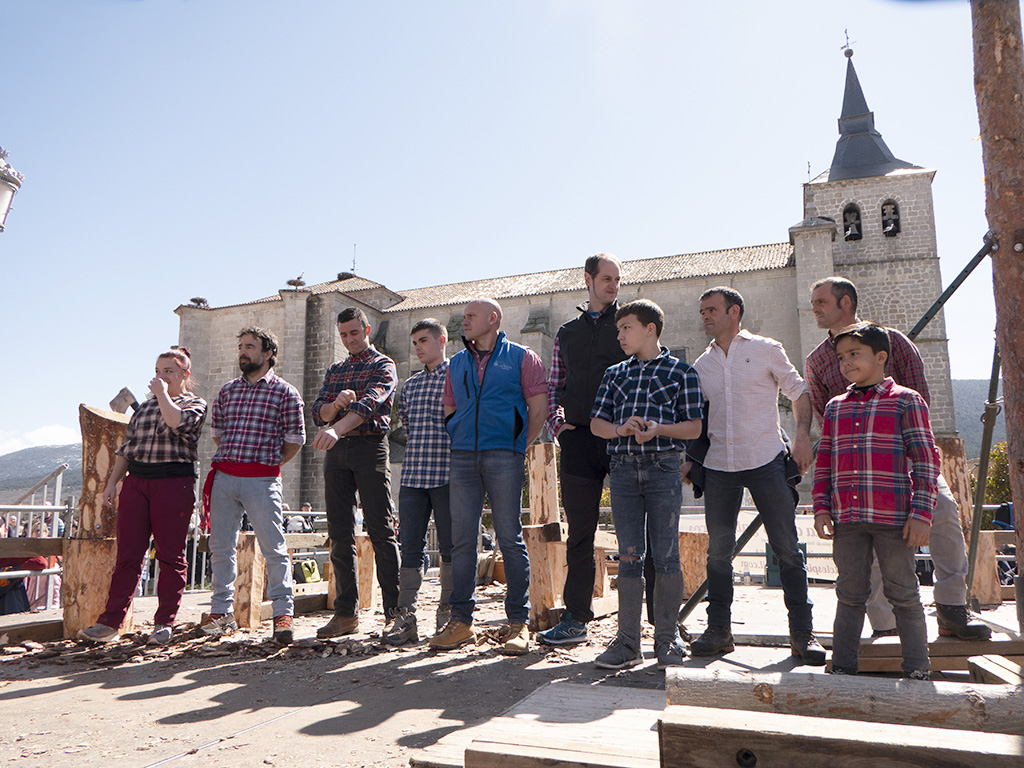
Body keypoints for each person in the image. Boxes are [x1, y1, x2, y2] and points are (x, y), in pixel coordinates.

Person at [806, 276, 989, 640]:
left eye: (821, 302)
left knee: (944, 515)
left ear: (846, 303)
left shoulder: (893, 342)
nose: (814, 309)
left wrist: (911, 456)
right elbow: (824, 418)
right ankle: (885, 625)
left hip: (905, 457)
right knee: (869, 547)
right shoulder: (816, 360)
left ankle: (952, 607)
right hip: (856, 470)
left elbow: (920, 396)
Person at [688, 287, 825, 665]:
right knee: (718, 554)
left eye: (711, 310)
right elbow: (696, 418)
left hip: (766, 461)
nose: (705, 316)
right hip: (719, 466)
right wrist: (689, 460)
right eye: (702, 311)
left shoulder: (766, 349)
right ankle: (719, 631)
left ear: (734, 312)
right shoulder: (701, 365)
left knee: (788, 549)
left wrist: (801, 438)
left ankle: (802, 633)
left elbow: (799, 392)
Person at [813, 322, 935, 680]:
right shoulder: (836, 407)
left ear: (881, 357)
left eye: (855, 354)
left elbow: (926, 460)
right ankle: (843, 668)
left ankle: (917, 669)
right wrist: (821, 507)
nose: (847, 363)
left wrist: (922, 514)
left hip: (894, 519)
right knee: (850, 593)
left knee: (904, 593)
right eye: (841, 357)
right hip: (848, 519)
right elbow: (825, 461)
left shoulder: (907, 401)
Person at [589, 300, 704, 669]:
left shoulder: (681, 372)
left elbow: (694, 427)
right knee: (628, 556)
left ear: (650, 329)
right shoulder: (614, 374)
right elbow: (596, 424)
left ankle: (667, 640)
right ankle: (627, 643)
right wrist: (621, 429)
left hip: (663, 469)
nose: (620, 335)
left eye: (626, 328)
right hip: (622, 471)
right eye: (618, 329)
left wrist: (659, 429)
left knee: (666, 556)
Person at [429, 299, 547, 654]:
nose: (464, 322)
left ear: (493, 319)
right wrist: (458, 431)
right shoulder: (456, 363)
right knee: (462, 541)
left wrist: (518, 444)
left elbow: (538, 407)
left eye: (470, 316)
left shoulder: (523, 358)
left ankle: (518, 624)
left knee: (509, 537)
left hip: (504, 455)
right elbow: (450, 406)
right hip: (463, 456)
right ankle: (461, 622)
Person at [77, 349, 207, 644]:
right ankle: (110, 623)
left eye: (169, 371)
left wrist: (162, 395)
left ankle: (164, 623)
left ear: (185, 375)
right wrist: (112, 483)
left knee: (170, 556)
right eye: (158, 371)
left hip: (173, 482)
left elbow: (174, 422)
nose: (161, 376)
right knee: (128, 555)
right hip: (137, 482)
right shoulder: (145, 409)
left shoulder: (194, 404)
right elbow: (128, 449)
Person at [538, 253, 627, 646]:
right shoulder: (567, 333)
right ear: (588, 280)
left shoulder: (627, 324)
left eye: (617, 279)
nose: (614, 286)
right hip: (577, 443)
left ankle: (652, 626)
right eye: (607, 278)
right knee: (579, 536)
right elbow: (554, 386)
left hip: (621, 442)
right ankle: (576, 620)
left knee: (633, 534)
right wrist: (558, 426)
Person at [201, 327, 305, 644]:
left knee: (274, 548)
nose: (243, 352)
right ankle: (221, 613)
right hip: (225, 477)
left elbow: (295, 440)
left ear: (268, 353)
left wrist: (264, 464)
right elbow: (218, 434)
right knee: (220, 547)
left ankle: (282, 614)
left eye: (250, 346)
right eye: (241, 346)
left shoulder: (285, 393)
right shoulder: (227, 391)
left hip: (262, 479)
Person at [312, 307, 400, 638]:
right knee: (339, 533)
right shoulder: (335, 369)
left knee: (381, 529)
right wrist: (335, 406)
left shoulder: (383, 365)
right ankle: (346, 613)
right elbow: (318, 411)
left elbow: (369, 405)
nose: (349, 340)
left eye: (354, 333)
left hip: (369, 446)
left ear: (367, 330)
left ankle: (395, 614)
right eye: (343, 335)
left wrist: (336, 428)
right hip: (336, 453)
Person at [382, 318, 453, 645]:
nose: (418, 347)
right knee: (410, 546)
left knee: (450, 546)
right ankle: (405, 617)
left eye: (423, 340)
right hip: (413, 476)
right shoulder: (409, 386)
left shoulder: (457, 378)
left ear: (442, 340)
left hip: (448, 475)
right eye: (415, 342)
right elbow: (407, 429)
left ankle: (447, 614)